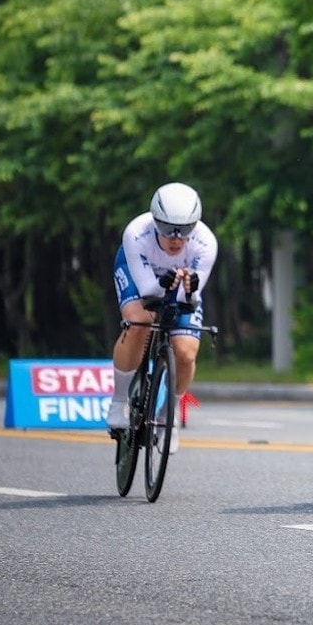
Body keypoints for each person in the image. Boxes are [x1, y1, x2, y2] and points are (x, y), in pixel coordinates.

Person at [106, 182, 219, 455]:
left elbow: (189, 300)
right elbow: (148, 291)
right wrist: (163, 283)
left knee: (186, 351)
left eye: (185, 229)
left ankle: (169, 415)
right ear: (155, 220)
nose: (176, 238)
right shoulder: (136, 233)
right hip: (139, 275)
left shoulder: (206, 243)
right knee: (139, 322)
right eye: (167, 228)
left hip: (177, 287)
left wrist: (188, 290)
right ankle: (119, 401)